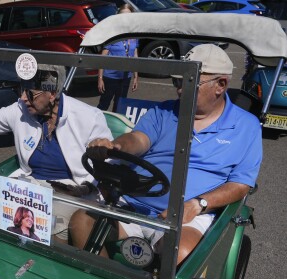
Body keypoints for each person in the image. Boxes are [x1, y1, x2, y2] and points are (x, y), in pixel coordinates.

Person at [70, 44, 262, 265]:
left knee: (180, 252)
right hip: (135, 203)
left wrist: (197, 204)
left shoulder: (246, 126)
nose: (180, 90)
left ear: (220, 85)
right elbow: (139, 139)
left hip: (190, 215)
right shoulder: (164, 111)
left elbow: (241, 184)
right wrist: (115, 146)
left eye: (189, 82)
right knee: (82, 222)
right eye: (177, 82)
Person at [0, 64, 113, 239]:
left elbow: (108, 166)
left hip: (74, 191)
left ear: (52, 93)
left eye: (30, 94)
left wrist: (86, 187)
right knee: (4, 215)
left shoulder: (88, 116)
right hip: (32, 186)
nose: (23, 98)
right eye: (21, 90)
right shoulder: (21, 110)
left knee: (53, 228)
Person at [96, 4, 139, 113]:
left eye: (128, 16)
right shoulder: (112, 34)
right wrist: (100, 78)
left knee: (119, 105)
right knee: (104, 105)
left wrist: (135, 76)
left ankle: (114, 128)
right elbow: (103, 57)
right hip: (110, 77)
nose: (125, 19)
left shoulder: (134, 34)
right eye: (122, 16)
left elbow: (135, 55)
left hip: (126, 77)